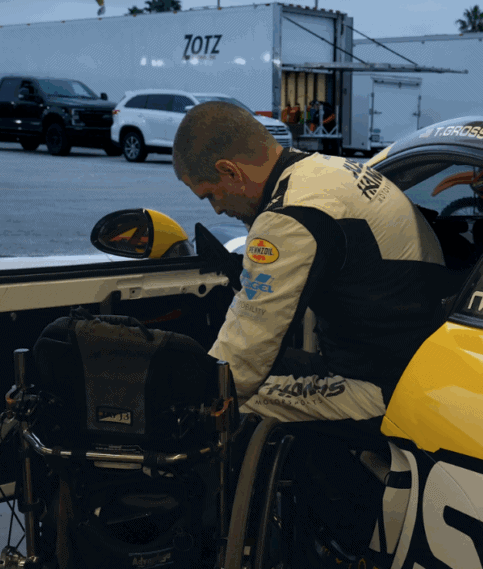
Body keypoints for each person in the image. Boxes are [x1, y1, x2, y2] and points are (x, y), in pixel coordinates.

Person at [172, 101, 453, 562]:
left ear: (230, 172)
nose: (218, 208)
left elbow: (246, 347)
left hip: (382, 386)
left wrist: (193, 407)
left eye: (210, 195)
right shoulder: (327, 171)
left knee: (227, 412)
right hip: (415, 364)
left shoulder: (290, 215)